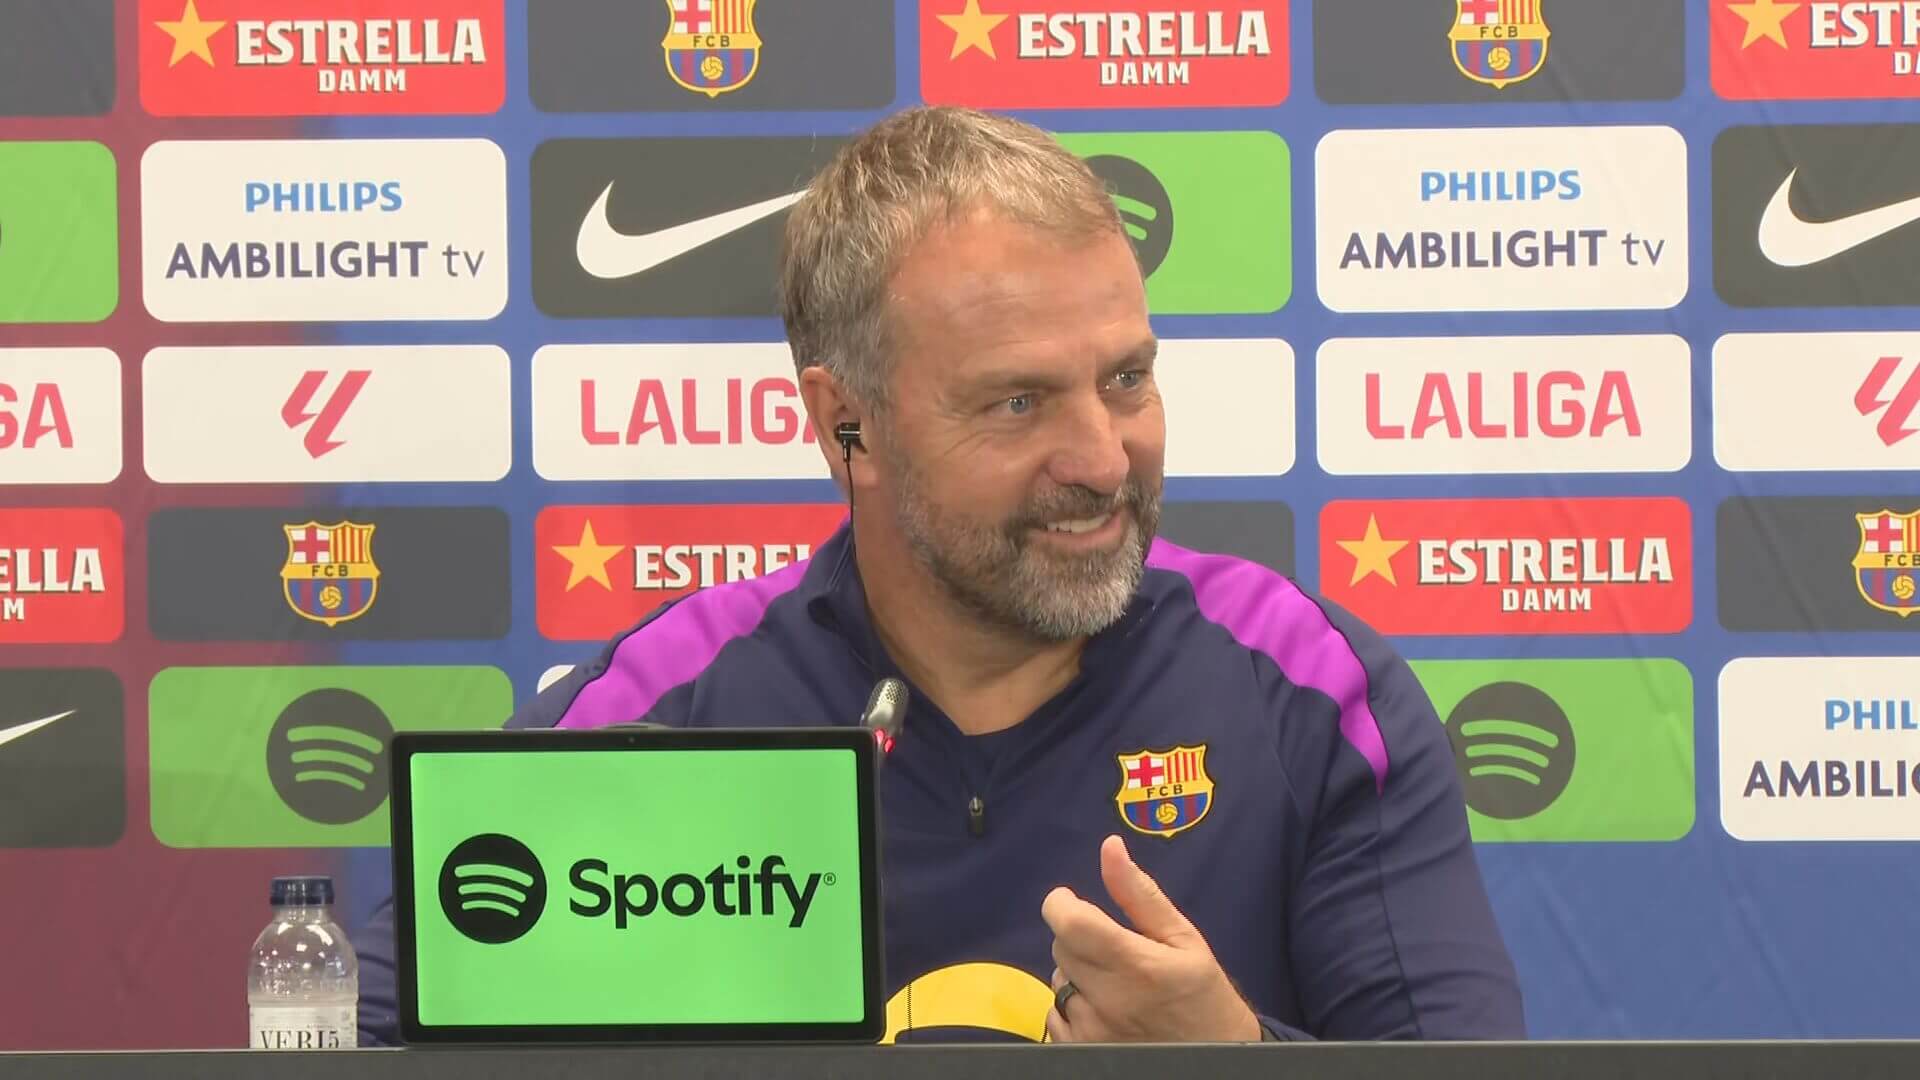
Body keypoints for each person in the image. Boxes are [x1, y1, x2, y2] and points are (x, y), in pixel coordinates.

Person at [355, 105, 1525, 1045]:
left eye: (1126, 379)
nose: (1102, 459)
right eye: (1017, 402)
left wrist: (1237, 1059)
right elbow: (356, 1033)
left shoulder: (1313, 688)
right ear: (847, 424)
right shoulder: (670, 704)